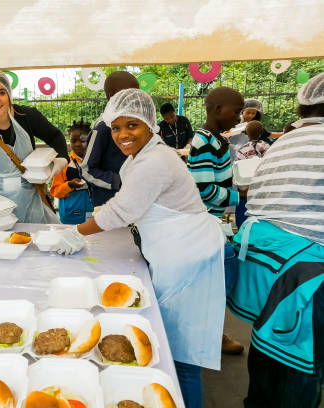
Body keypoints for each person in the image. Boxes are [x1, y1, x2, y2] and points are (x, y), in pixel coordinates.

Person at [52, 89, 226, 408]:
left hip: (189, 256)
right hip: (173, 251)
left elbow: (123, 211)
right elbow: (128, 203)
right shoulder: (141, 156)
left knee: (181, 355)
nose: (122, 135)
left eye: (131, 125)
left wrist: (75, 232)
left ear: (149, 123)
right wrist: (103, 216)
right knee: (170, 345)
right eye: (115, 128)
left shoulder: (155, 161)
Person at [227, 72, 324, 408]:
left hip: (265, 262)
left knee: (268, 348)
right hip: (306, 274)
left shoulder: (285, 142)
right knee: (299, 369)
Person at [0, 69, 69, 226]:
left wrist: (62, 157)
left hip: (31, 204)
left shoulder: (27, 117)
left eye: (2, 92)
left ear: (9, 94)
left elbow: (55, 136)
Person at [187, 86, 246, 355]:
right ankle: (208, 335)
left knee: (214, 284)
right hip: (204, 224)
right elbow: (204, 191)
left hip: (214, 220)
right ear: (218, 110)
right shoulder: (203, 142)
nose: (240, 117)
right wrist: (240, 195)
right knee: (221, 280)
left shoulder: (216, 139)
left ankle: (211, 333)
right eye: (237, 111)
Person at [81, 71, 139, 206]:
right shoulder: (103, 128)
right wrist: (117, 181)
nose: (137, 98)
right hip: (109, 204)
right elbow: (86, 169)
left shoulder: (135, 124)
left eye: (137, 93)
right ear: (111, 96)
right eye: (129, 94)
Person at [50, 119, 94, 224]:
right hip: (71, 215)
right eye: (73, 141)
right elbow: (55, 191)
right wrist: (69, 185)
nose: (78, 144)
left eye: (82, 141)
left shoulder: (96, 160)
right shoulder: (64, 162)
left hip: (93, 213)